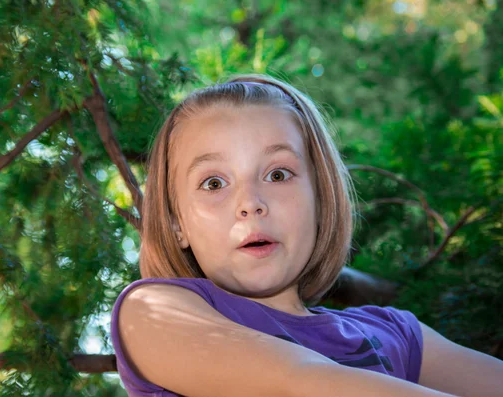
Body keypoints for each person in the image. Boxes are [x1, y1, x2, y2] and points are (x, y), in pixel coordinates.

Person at [110, 74, 503, 397]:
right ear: (177, 224)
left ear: (320, 197)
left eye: (277, 174)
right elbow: (300, 382)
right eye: (214, 183)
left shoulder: (398, 335)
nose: (250, 203)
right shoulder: (149, 311)